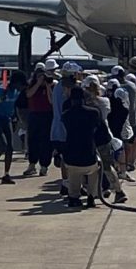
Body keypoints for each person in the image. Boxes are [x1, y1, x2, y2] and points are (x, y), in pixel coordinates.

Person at [62, 75, 109, 209]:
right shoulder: (94, 113)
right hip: (89, 155)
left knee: (73, 173)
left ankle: (73, 197)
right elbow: (101, 131)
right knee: (94, 170)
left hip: (71, 156)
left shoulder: (66, 115)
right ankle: (91, 196)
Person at [0, 71, 25, 184]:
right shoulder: (1, 89)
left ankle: (6, 175)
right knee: (2, 145)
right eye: (20, 84)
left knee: (10, 148)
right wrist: (1, 98)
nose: (21, 87)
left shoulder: (16, 92)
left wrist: (16, 118)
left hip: (6, 119)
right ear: (16, 83)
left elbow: (14, 107)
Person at [51, 62, 80, 196]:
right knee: (71, 157)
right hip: (67, 128)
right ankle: (71, 185)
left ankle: (65, 183)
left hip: (57, 127)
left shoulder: (57, 86)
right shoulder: (68, 88)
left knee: (64, 157)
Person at [23, 60, 56, 177]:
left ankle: (44, 166)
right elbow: (28, 95)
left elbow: (52, 100)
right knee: (33, 140)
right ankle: (32, 164)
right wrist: (38, 83)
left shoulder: (52, 84)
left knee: (46, 142)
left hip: (47, 115)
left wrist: (47, 85)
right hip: (34, 114)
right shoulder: (31, 84)